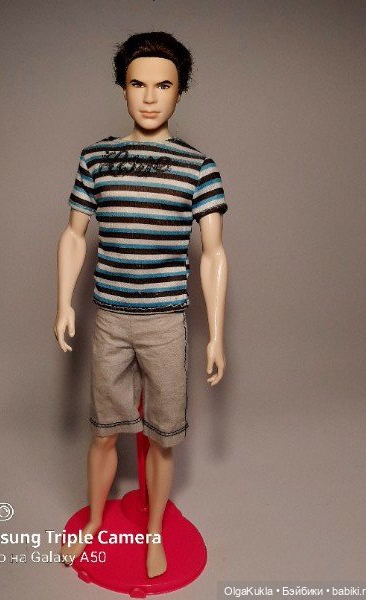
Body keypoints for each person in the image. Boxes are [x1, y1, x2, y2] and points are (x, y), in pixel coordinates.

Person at [53, 31, 228, 579]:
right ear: (123, 88)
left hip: (165, 323)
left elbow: (213, 253)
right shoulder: (96, 159)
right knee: (104, 431)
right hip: (109, 320)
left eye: (163, 85)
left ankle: (153, 532)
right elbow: (74, 234)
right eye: (138, 84)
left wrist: (216, 334)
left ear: (180, 91)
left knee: (162, 437)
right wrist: (64, 302)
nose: (150, 97)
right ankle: (94, 521)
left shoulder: (198, 168)